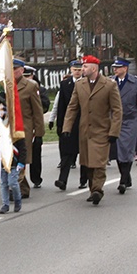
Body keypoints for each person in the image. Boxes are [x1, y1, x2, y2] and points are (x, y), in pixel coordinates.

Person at [62, 55, 122, 205]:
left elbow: (117, 110)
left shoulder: (109, 85)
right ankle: (92, 189)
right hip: (84, 131)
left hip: (102, 130)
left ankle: (97, 189)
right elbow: (72, 107)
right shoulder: (80, 85)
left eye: (85, 67)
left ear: (94, 68)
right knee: (87, 162)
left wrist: (114, 132)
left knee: (99, 162)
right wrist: (67, 127)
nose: (82, 69)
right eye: (82, 67)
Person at [109, 57, 137, 194]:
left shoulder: (135, 83)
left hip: (130, 120)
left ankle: (123, 180)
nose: (115, 69)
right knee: (116, 150)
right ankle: (126, 176)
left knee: (126, 150)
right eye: (114, 67)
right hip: (114, 120)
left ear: (125, 68)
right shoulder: (110, 82)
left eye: (118, 67)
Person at [51, 60, 87, 190]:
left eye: (79, 69)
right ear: (71, 70)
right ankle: (62, 180)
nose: (77, 72)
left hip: (84, 122)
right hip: (69, 122)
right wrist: (60, 124)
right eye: (75, 69)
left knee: (84, 153)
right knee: (66, 153)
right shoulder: (65, 84)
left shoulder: (87, 82)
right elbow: (61, 106)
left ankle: (84, 180)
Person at [14, 59, 45, 197]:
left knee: (22, 157)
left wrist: (38, 132)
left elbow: (37, 111)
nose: (13, 72)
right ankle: (21, 187)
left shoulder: (30, 86)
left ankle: (18, 188)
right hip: (8, 128)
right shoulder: (4, 85)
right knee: (10, 158)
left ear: (21, 70)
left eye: (15, 69)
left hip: (24, 127)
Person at [0, 94, 26, 213]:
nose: (0, 112)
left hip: (14, 160)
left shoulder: (15, 127)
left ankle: (18, 200)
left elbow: (22, 147)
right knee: (3, 183)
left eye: (3, 109)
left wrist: (22, 162)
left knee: (13, 183)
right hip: (2, 160)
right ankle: (5, 204)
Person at [23, 64, 48, 189]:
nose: (27, 78)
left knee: (35, 153)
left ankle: (36, 177)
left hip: (34, 124)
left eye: (28, 76)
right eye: (24, 76)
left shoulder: (39, 89)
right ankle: (21, 182)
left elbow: (44, 106)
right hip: (23, 126)